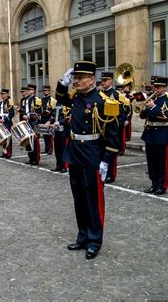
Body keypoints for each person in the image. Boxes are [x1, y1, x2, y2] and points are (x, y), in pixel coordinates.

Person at [55, 61, 119, 260]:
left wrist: (106, 160)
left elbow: (113, 134)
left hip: (93, 155)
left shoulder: (103, 101)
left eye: (80, 78)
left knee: (93, 200)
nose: (76, 81)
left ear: (92, 79)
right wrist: (62, 83)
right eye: (75, 77)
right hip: (75, 153)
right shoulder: (75, 97)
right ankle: (82, 236)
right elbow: (61, 98)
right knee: (79, 199)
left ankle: (94, 241)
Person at [141, 76, 168, 195]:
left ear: (164, 88)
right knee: (151, 162)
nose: (155, 89)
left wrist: (152, 106)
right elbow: (143, 116)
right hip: (150, 133)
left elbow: (165, 117)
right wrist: (143, 106)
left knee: (161, 163)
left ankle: (161, 186)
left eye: (158, 87)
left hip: (161, 134)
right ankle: (153, 184)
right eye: (154, 87)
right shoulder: (153, 99)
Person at [100, 72, 122, 183]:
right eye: (102, 80)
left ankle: (110, 174)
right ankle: (102, 171)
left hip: (112, 126)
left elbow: (123, 112)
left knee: (111, 150)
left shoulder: (116, 94)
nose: (103, 82)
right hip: (100, 127)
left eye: (105, 80)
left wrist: (118, 125)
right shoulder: (98, 94)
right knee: (102, 150)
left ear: (111, 81)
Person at [22, 84, 42, 165]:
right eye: (27, 90)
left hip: (34, 123)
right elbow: (26, 110)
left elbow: (39, 113)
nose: (28, 91)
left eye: (29, 90)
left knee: (35, 141)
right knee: (28, 141)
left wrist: (29, 116)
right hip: (28, 122)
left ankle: (36, 158)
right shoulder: (26, 99)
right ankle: (31, 157)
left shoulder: (36, 99)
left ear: (33, 90)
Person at [0, 88, 15, 159]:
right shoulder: (1, 102)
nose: (2, 95)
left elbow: (12, 113)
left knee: (7, 138)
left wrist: (4, 119)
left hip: (7, 122)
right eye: (1, 94)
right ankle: (4, 152)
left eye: (3, 94)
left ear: (7, 94)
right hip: (1, 122)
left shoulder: (9, 102)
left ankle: (9, 153)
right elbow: (0, 113)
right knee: (2, 138)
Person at [40, 85, 55, 154]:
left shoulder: (51, 100)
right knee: (45, 134)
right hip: (43, 117)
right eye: (43, 91)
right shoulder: (42, 99)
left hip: (49, 118)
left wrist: (50, 120)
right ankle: (46, 148)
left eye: (46, 90)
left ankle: (50, 149)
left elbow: (53, 111)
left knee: (49, 134)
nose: (44, 92)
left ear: (49, 91)